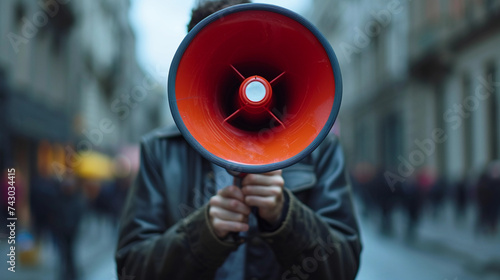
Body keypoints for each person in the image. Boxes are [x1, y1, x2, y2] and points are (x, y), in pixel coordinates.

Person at [115, 1, 362, 279]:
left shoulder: (319, 148)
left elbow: (343, 268)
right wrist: (203, 233)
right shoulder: (161, 151)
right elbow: (130, 269)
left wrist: (285, 215)